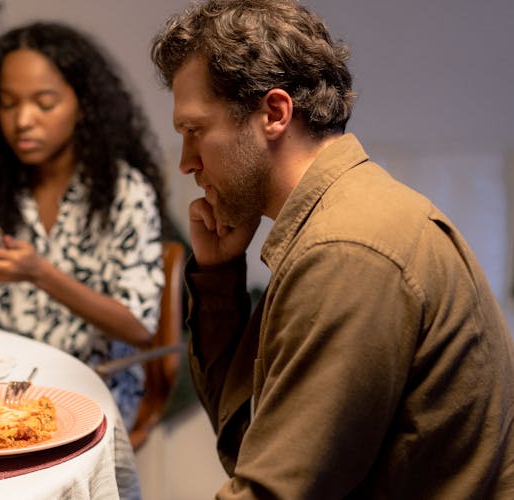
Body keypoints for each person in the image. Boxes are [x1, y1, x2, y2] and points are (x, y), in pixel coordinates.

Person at [151, 0, 514, 498]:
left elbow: (271, 489)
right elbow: (254, 431)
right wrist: (217, 277)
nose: (187, 163)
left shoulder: (346, 250)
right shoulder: (338, 216)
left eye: (195, 130)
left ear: (274, 114)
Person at [0, 21, 167, 433]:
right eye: (8, 103)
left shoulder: (124, 190)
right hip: (5, 386)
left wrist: (40, 272)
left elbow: (138, 327)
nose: (23, 120)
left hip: (94, 385)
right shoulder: (1, 185)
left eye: (44, 103)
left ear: (84, 104)